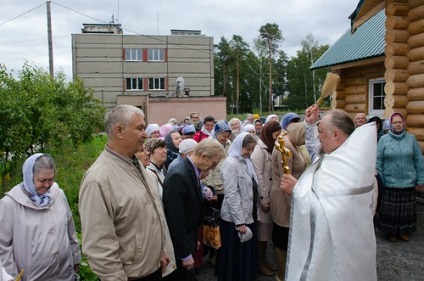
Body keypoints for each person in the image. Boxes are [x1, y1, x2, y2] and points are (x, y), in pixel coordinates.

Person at [281, 105, 378, 281]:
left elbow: (332, 215)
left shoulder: (349, 170)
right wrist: (310, 125)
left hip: (340, 255)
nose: (318, 137)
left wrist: (297, 192)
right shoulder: (340, 155)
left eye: (321, 132)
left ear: (336, 135)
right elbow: (316, 152)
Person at [79, 105, 173, 281]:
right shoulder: (98, 179)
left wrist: (158, 252)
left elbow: (146, 216)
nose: (145, 134)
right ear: (119, 131)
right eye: (139, 128)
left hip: (152, 270)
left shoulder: (136, 165)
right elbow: (99, 245)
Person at [0, 153, 81, 281]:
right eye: (42, 180)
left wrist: (76, 257)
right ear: (29, 177)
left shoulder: (58, 194)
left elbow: (70, 228)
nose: (48, 185)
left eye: (51, 179)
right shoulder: (10, 204)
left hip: (64, 275)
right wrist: (13, 278)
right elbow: (3, 247)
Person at [163, 138, 225, 281]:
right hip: (180, 247)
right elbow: (175, 219)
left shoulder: (191, 170)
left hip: (189, 238)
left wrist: (195, 238)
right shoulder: (179, 175)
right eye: (214, 163)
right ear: (203, 157)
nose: (214, 167)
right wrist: (184, 253)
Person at [216, 132, 258, 281]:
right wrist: (239, 221)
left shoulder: (246, 161)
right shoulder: (230, 163)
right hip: (234, 219)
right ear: (239, 146)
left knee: (244, 252)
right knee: (234, 254)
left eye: (252, 149)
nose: (250, 153)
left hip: (246, 214)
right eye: (248, 149)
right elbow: (231, 194)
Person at [376, 112, 424, 242]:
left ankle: (404, 231)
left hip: (408, 181)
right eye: (395, 122)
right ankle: (391, 232)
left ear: (404, 123)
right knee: (391, 210)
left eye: (400, 122)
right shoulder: (383, 140)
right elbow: (378, 161)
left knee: (406, 210)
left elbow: (419, 159)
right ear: (390, 124)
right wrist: (381, 179)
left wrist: (420, 179)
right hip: (390, 181)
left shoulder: (411, 139)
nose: (398, 124)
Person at [270, 122, 306, 281]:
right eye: (305, 135)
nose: (306, 139)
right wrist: (295, 205)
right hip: (285, 199)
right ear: (298, 133)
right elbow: (286, 181)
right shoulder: (285, 147)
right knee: (282, 237)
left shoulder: (292, 142)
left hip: (292, 195)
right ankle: (281, 276)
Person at [251, 120, 282, 276]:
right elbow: (259, 177)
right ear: (269, 134)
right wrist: (264, 199)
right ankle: (259, 263)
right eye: (275, 135)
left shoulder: (270, 148)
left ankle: (264, 260)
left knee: (266, 234)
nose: (277, 138)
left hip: (270, 196)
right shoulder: (259, 150)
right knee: (262, 235)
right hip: (263, 199)